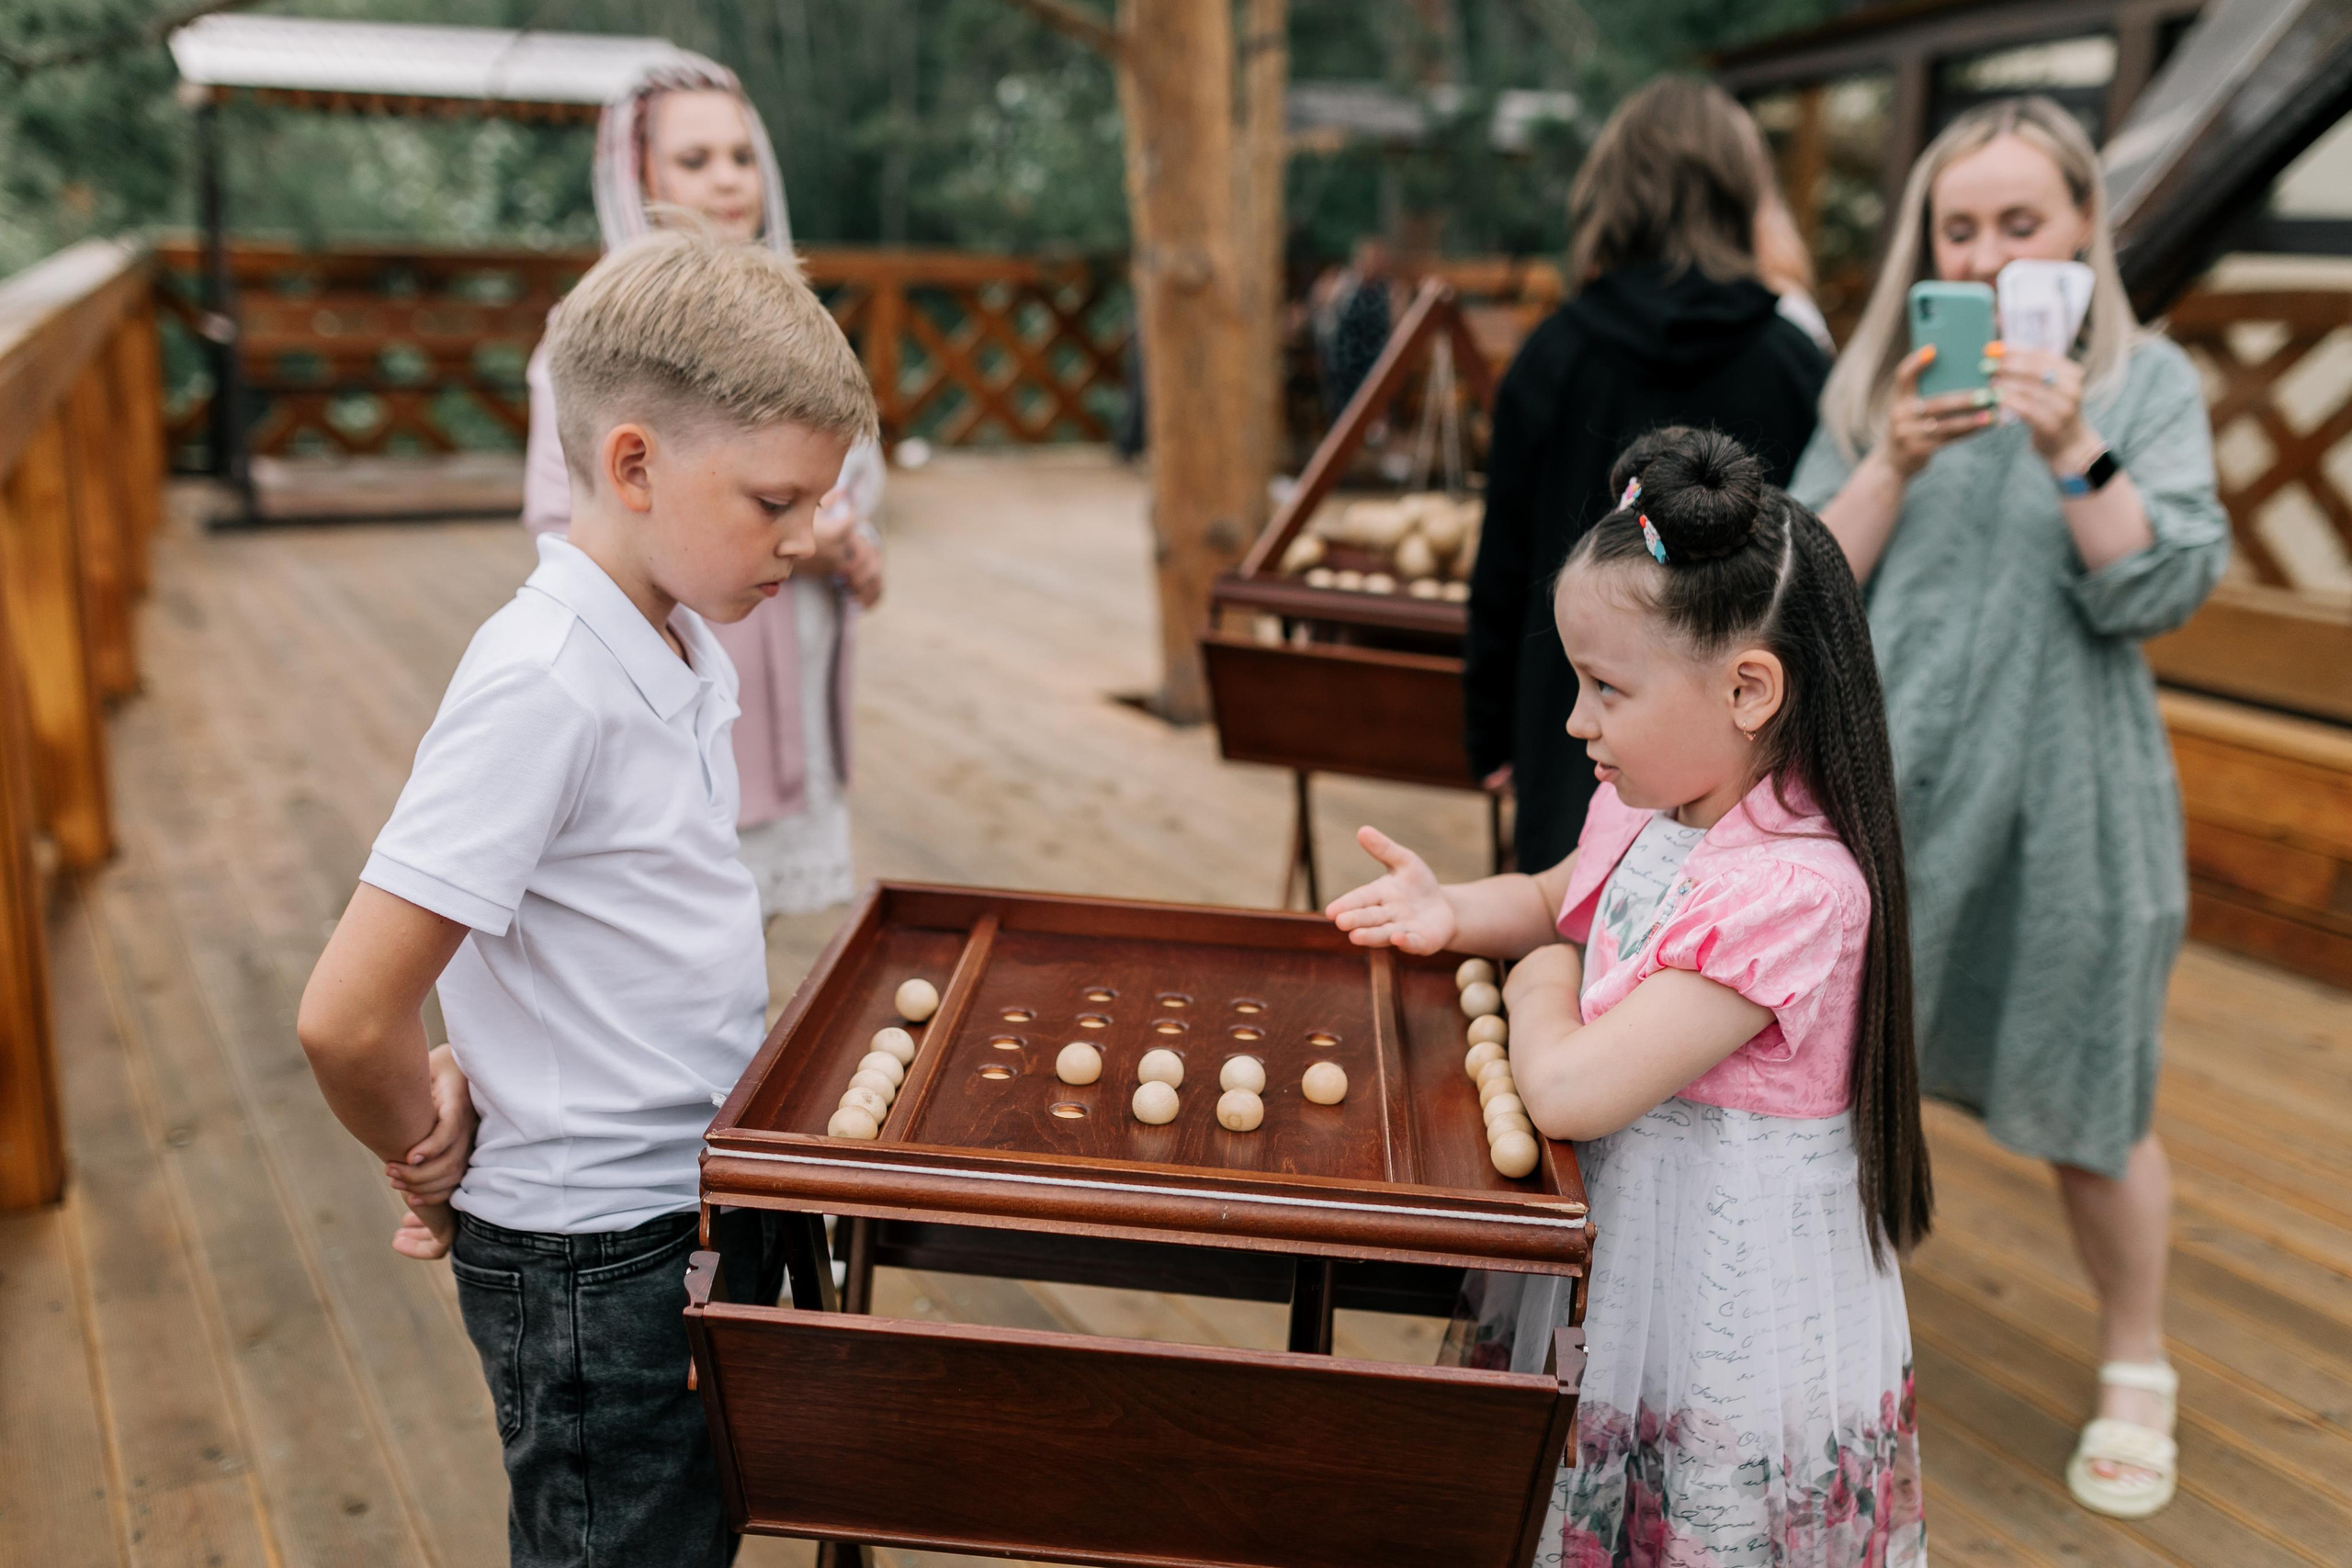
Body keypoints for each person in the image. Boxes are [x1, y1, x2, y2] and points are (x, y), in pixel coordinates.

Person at [298, 226, 879, 1567]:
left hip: (687, 1203)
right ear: (633, 462)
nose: (807, 536)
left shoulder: (670, 629)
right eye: (774, 502)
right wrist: (428, 1158)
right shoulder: (543, 678)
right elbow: (345, 1014)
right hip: (590, 1261)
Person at [1331, 428, 1931, 1567]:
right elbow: (1566, 892)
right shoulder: (1654, 799)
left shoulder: (1796, 895)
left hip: (1719, 1301)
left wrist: (1540, 964)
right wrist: (1457, 911)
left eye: (1606, 687)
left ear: (1749, 688)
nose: (1573, 722)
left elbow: (1566, 1087)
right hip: (1627, 1252)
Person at [1789, 96, 2228, 1520]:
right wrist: (1895, 457)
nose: (1984, 251)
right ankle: (1839, 1357)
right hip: (1888, 796)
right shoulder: (1878, 389)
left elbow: (2159, 586)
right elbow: (1798, 591)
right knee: (1845, 1092)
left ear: (2084, 226)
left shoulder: (2148, 382)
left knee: (2090, 1095)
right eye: (1958, 225)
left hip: (2072, 801)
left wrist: (2073, 441)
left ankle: (2136, 1361)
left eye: (2018, 222)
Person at [524, 58, 886, 921]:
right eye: (695, 161)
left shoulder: (801, 332)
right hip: (688, 664)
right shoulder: (595, 349)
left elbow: (846, 481)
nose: (726, 179)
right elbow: (560, 516)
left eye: (741, 154)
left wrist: (851, 549)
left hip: (790, 651)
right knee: (702, 890)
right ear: (638, 177)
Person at [1467, 77, 1829, 874]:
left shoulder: (1552, 356)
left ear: (1610, 192)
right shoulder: (1796, 364)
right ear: (1741, 194)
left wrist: (1490, 733)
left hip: (1575, 721)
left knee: (1568, 933)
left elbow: (1504, 558)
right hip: (1747, 750)